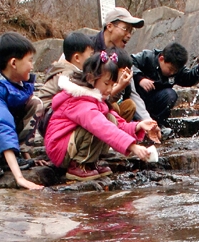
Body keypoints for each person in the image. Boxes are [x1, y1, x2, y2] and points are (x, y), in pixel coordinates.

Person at [44, 51, 160, 182]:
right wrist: (132, 147)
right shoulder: (79, 101)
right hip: (60, 150)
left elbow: (117, 124)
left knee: (109, 118)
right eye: (106, 84)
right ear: (90, 79)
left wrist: (139, 125)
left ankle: (90, 163)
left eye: (112, 84)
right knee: (99, 125)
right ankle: (78, 165)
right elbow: (102, 127)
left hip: (69, 146)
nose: (110, 89)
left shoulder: (96, 99)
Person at [0, 31, 44, 189]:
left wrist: (29, 157)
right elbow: (3, 125)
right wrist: (20, 178)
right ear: (13, 63)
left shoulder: (15, 81)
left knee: (35, 103)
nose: (32, 65)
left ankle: (19, 154)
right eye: (29, 60)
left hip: (1, 128)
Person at [132, 42, 199, 128]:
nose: (172, 73)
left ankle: (156, 124)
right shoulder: (147, 57)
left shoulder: (176, 70)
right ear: (161, 59)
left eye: (175, 71)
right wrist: (140, 78)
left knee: (170, 95)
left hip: (155, 101)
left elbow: (188, 79)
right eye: (170, 69)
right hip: (136, 98)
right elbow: (128, 63)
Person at [38, 32, 94, 114]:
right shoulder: (68, 75)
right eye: (91, 55)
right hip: (49, 112)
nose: (93, 59)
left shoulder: (69, 69)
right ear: (77, 58)